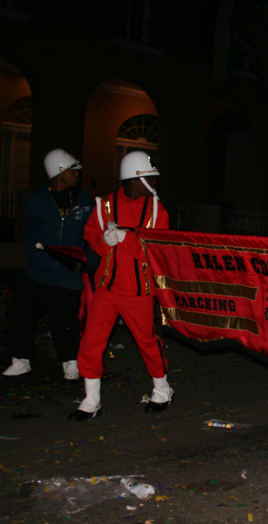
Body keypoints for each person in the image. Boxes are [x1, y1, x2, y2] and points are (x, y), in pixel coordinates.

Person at [67, 151, 171, 421]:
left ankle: (162, 390)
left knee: (147, 341)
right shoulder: (104, 205)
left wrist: (126, 238)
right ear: (134, 180)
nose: (155, 183)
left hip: (139, 291)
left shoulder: (158, 210)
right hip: (107, 288)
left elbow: (157, 251)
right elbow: (91, 237)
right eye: (150, 178)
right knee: (91, 341)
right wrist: (105, 240)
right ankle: (91, 400)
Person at [0, 149, 94, 382]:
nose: (78, 173)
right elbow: (32, 236)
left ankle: (70, 363)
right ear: (60, 172)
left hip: (69, 275)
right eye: (74, 170)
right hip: (39, 274)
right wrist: (38, 261)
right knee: (19, 314)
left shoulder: (86, 202)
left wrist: (87, 266)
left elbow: (92, 237)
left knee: (65, 322)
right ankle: (20, 360)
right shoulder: (36, 200)